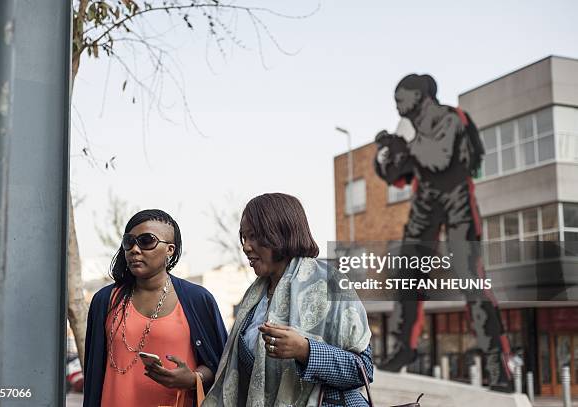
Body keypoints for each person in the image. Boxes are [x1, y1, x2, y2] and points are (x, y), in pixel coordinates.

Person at [373, 74, 513, 391]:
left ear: (422, 96)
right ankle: (402, 349)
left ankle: (497, 366)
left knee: (471, 280)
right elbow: (397, 176)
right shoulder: (414, 130)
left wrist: (405, 150)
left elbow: (440, 160)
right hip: (426, 201)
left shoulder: (451, 118)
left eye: (401, 95)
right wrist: (385, 155)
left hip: (457, 200)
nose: (396, 102)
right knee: (407, 274)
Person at [203, 193, 373, 407]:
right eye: (244, 238)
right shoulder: (252, 298)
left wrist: (305, 350)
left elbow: (364, 369)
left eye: (254, 236)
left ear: (280, 233)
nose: (246, 246)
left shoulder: (329, 283)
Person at [83, 209, 228, 406]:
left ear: (170, 250)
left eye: (146, 241)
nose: (134, 249)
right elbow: (93, 375)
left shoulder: (198, 300)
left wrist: (194, 379)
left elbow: (223, 364)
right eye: (129, 241)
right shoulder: (105, 300)